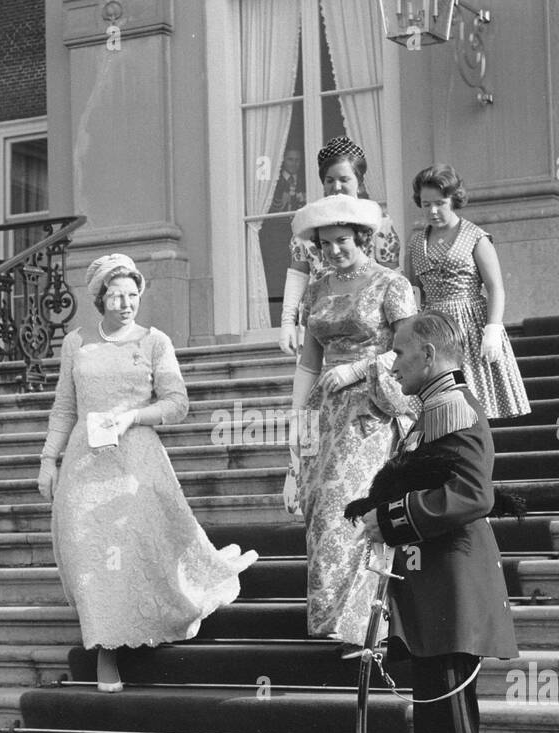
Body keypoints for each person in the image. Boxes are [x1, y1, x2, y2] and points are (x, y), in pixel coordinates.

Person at [37, 254, 257, 691]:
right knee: (91, 550)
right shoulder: (76, 342)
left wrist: (133, 417)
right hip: (85, 460)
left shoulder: (155, 341)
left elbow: (177, 403)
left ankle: (128, 634)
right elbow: (64, 406)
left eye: (133, 295)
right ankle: (105, 651)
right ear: (99, 298)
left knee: (133, 550)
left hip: (136, 459)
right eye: (116, 295)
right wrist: (48, 459)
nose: (125, 304)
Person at [359, 311, 518, 733]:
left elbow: (475, 494)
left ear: (429, 355)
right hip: (433, 595)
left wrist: (392, 519)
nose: (393, 361)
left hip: (453, 594)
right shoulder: (431, 407)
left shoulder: (451, 406)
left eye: (401, 352)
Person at [283, 194, 416, 644]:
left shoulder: (391, 284)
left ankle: (364, 628)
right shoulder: (318, 288)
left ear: (362, 237)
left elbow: (410, 349)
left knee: (351, 510)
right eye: (325, 245)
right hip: (327, 409)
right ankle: (334, 625)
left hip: (373, 407)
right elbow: (307, 364)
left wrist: (359, 369)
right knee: (320, 512)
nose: (334, 251)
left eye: (342, 241)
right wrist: (296, 428)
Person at [406, 164, 529, 420]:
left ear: (454, 199)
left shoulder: (476, 237)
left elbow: (495, 287)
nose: (433, 211)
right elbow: (413, 289)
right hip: (433, 328)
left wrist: (493, 329)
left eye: (440, 203)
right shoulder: (416, 242)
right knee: (437, 402)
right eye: (426, 204)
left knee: (472, 400)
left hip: (470, 326)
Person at [278, 136, 402, 355]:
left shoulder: (379, 223)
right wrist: (288, 321)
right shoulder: (310, 223)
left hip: (367, 329)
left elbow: (393, 278)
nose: (336, 187)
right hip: (321, 323)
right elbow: (298, 273)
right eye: (329, 180)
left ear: (359, 181)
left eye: (344, 179)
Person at [270, 148, 306, 213]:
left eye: (297, 160)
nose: (294, 163)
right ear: (283, 159)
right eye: (290, 159)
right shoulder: (273, 181)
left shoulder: (306, 181)